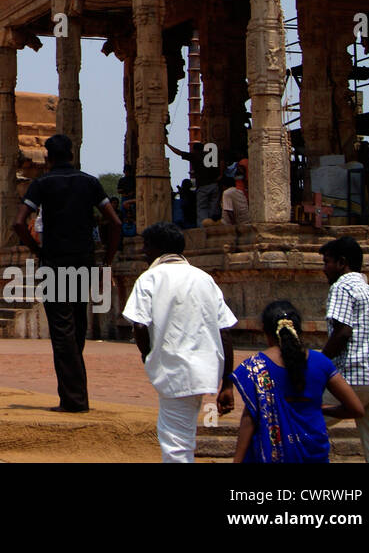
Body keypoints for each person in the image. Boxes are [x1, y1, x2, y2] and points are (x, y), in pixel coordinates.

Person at [13, 134, 122, 413]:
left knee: (62, 330)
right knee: (76, 326)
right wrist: (106, 259)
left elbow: (18, 222)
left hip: (55, 262)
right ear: (72, 154)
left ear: (48, 158)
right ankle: (74, 393)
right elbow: (114, 221)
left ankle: (74, 399)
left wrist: (37, 251)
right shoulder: (89, 182)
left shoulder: (42, 184)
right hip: (83, 261)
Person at [122, 221, 239, 462]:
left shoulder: (149, 278)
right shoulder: (204, 279)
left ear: (157, 248)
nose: (143, 252)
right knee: (182, 435)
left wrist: (148, 355)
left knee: (175, 443)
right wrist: (227, 381)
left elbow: (139, 324)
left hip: (174, 369)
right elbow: (224, 331)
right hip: (205, 370)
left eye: (146, 246)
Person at [231, 300, 364, 463]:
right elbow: (356, 409)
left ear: (266, 332)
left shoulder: (257, 366)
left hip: (274, 453)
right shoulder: (321, 362)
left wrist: (237, 460)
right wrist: (323, 409)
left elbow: (250, 417)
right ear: (299, 330)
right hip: (314, 448)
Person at [319, 236, 369, 462]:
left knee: (300, 417)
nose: (324, 269)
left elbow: (343, 332)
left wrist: (318, 363)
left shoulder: (342, 286)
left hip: (353, 376)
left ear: (342, 263)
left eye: (327, 263)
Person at [165, 140, 222, 224]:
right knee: (214, 207)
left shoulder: (194, 155)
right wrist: (220, 175)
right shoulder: (210, 156)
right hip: (214, 185)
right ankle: (215, 224)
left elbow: (179, 152)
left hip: (203, 186)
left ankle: (204, 227)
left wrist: (168, 144)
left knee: (202, 208)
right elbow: (222, 160)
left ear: (194, 149)